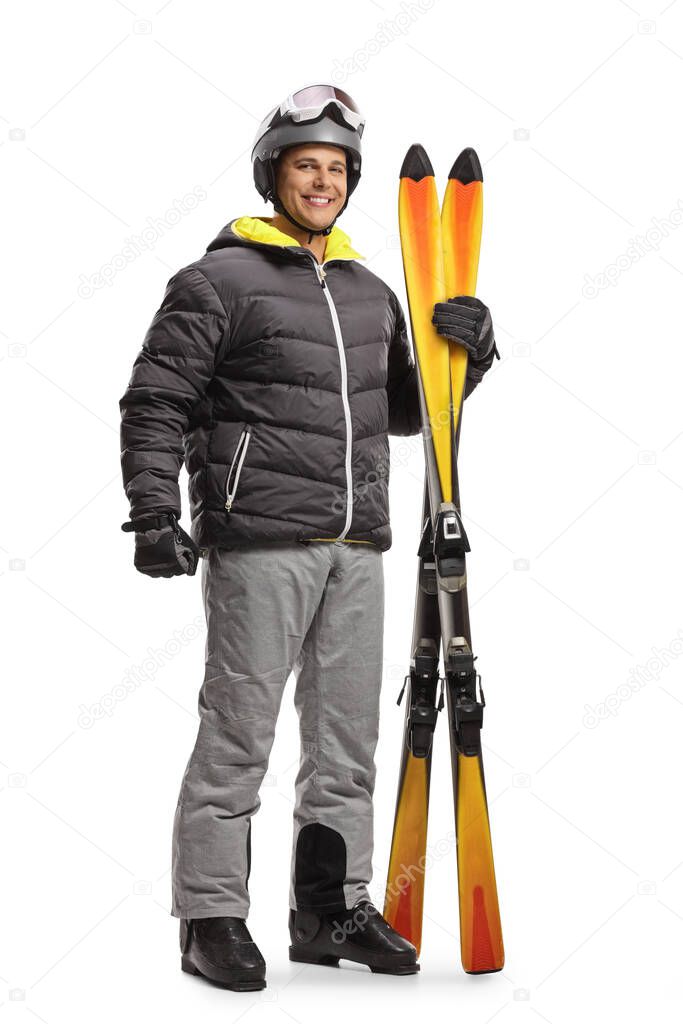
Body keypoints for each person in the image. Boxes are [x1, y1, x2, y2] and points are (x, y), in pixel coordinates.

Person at [119, 84, 498, 992]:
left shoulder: (373, 291)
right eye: (305, 166)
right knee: (238, 734)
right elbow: (156, 400)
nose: (322, 181)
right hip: (259, 540)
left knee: (344, 740)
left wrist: (470, 357)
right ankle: (209, 918)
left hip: (358, 541)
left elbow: (407, 414)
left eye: (335, 168)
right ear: (273, 175)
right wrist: (152, 512)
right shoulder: (218, 281)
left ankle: (328, 910)